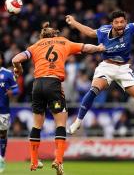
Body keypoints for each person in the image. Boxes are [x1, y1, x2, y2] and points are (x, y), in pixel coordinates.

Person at [66, 0, 134, 140]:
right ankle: (78, 122)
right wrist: (74, 23)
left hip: (124, 68)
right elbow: (90, 32)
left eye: (122, 22)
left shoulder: (130, 28)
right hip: (107, 66)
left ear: (125, 22)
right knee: (94, 90)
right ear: (112, 24)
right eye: (116, 22)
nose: (120, 25)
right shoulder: (104, 31)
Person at [12, 22, 105, 175]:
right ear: (54, 35)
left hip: (37, 85)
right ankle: (59, 161)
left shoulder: (35, 46)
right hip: (53, 84)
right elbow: (86, 48)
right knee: (60, 123)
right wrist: (99, 48)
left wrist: (18, 69)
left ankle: (34, 161)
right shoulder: (63, 42)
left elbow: (16, 59)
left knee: (37, 125)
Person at [0, 53, 19, 173]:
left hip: (3, 110)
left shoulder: (7, 73)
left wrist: (13, 93)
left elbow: (17, 89)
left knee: (2, 134)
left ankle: (1, 158)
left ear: (2, 59)